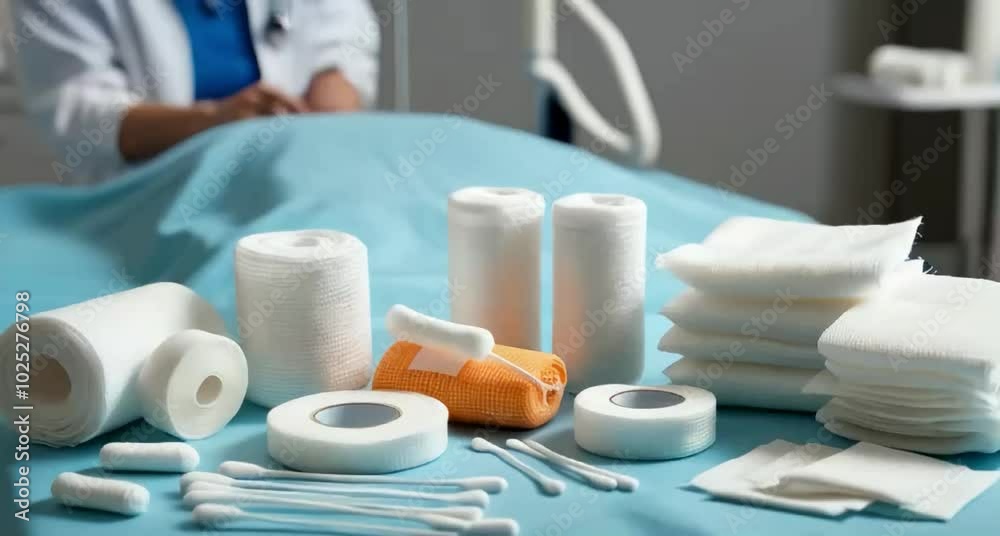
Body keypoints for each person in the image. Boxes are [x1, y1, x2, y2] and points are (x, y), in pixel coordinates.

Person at [10, 0, 380, 185]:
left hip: (302, 179)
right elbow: (75, 110)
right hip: (154, 194)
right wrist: (213, 121)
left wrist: (331, 93)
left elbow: (344, 41)